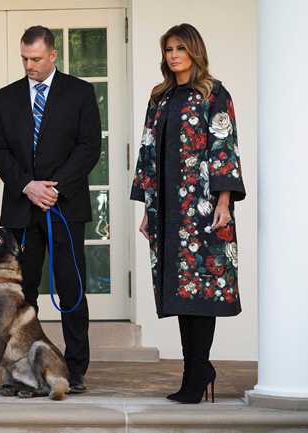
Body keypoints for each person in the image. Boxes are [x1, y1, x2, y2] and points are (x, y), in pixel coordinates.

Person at [130, 23, 246, 404]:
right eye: (168, 49)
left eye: (181, 48)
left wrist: (224, 203)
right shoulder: (159, 98)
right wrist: (148, 207)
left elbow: (224, 148)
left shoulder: (213, 93)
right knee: (180, 294)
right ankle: (194, 371)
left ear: (194, 50)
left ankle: (198, 372)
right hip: (167, 211)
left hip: (202, 209)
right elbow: (148, 151)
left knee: (201, 290)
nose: (174, 55)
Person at [0, 25, 101, 393]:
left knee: (72, 290)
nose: (29, 65)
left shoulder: (81, 92)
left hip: (64, 207)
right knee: (23, 295)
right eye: (24, 58)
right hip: (22, 209)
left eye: (35, 59)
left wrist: (53, 187)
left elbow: (89, 147)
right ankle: (18, 371)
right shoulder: (4, 98)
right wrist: (27, 186)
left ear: (53, 55)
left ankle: (76, 368)